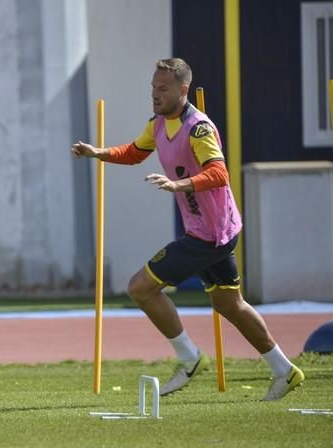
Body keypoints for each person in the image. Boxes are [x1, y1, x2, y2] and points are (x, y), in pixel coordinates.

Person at [70, 58, 304, 401]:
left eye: (162, 89)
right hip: (215, 231)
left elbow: (219, 173)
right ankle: (286, 371)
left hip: (209, 235)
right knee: (229, 304)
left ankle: (189, 359)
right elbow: (135, 152)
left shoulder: (199, 128)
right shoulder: (159, 123)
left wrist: (179, 185)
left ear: (183, 90)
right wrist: (99, 153)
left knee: (140, 288)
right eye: (153, 88)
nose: (154, 94)